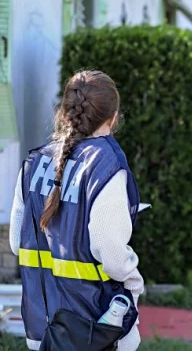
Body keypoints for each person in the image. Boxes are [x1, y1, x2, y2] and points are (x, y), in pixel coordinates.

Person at [9, 71, 144, 351]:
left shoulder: (33, 163)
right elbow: (112, 253)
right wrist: (134, 282)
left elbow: (16, 243)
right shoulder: (106, 167)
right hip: (97, 332)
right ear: (113, 116)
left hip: (42, 330)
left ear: (64, 112)